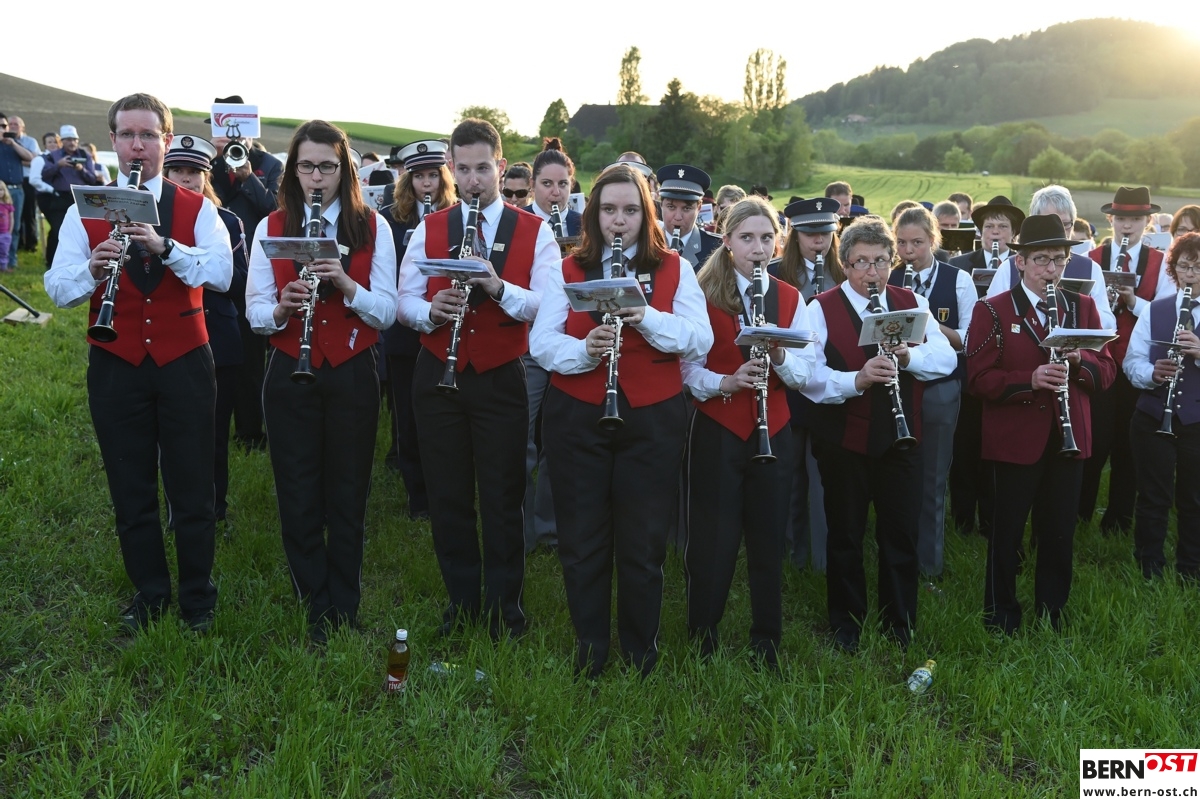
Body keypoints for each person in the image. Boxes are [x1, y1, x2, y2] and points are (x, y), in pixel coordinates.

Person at [43, 93, 233, 633]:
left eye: (148, 135)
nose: (137, 145)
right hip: (115, 361)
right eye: (127, 135)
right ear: (113, 142)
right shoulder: (84, 210)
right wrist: (92, 270)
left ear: (165, 142)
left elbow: (222, 274)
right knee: (131, 488)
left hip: (185, 360)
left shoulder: (198, 208)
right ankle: (150, 593)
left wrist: (167, 247)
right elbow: (56, 288)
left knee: (192, 486)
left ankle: (197, 597)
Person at [529, 163, 712, 677]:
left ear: (646, 215)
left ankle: (640, 651)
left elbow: (700, 339)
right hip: (577, 413)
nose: (619, 220)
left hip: (653, 417)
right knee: (581, 537)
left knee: (644, 539)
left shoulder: (674, 268)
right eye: (608, 209)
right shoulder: (567, 268)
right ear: (594, 215)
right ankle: (590, 647)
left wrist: (646, 317)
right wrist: (584, 350)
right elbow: (542, 343)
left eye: (630, 210)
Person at [397, 118, 557, 641]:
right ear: (451, 167)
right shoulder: (430, 227)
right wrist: (430, 312)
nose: (472, 180)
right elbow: (404, 301)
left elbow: (547, 306)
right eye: (462, 169)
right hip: (437, 371)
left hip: (501, 375)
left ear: (501, 167)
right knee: (448, 496)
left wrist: (497, 286)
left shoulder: (535, 231)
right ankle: (462, 604)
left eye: (482, 169)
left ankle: (506, 610)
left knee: (503, 496)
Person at [245, 119, 397, 642]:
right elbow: (255, 311)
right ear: (293, 171)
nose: (316, 177)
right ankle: (313, 601)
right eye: (306, 167)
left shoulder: (373, 227)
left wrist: (347, 284)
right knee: (297, 489)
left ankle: (345, 604)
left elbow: (387, 312)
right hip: (290, 367)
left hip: (353, 369)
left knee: (349, 491)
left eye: (327, 167)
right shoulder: (271, 226)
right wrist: (282, 309)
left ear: (344, 170)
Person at [802, 217, 956, 652]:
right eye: (862, 263)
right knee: (845, 533)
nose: (872, 273)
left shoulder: (911, 302)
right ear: (845, 264)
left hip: (901, 438)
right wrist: (858, 379)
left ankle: (899, 624)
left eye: (881, 262)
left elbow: (945, 359)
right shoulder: (820, 307)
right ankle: (846, 625)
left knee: (900, 532)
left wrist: (908, 357)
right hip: (843, 440)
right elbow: (809, 376)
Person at [965, 214, 1116, 633]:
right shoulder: (993, 309)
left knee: (1059, 531)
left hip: (1069, 436)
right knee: (1007, 531)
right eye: (1042, 260)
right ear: (1021, 262)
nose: (1051, 269)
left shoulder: (1082, 307)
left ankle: (1052, 612)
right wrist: (1028, 380)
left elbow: (1107, 371)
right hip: (1015, 438)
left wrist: (1079, 361)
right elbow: (977, 378)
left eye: (1059, 260)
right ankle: (1000, 614)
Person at [682, 197, 813, 667]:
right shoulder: (701, 292)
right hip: (719, 425)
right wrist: (727, 382)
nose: (758, 249)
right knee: (713, 539)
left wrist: (779, 355)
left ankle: (767, 640)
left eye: (766, 238)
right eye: (747, 238)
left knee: (768, 536)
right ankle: (702, 636)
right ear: (727, 241)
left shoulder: (790, 297)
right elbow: (686, 370)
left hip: (774, 427)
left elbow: (805, 373)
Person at [161, 134, 248, 526]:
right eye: (177, 170)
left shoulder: (226, 221)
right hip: (167, 337)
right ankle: (175, 511)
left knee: (213, 434)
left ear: (206, 176)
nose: (186, 179)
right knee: (169, 435)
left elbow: (240, 283)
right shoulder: (150, 221)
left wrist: (192, 261)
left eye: (194, 172)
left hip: (217, 338)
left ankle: (215, 510)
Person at [887, 206, 976, 579]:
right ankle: (894, 554)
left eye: (918, 243)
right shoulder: (887, 276)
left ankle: (929, 564)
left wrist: (927, 327)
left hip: (940, 387)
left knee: (933, 476)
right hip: (894, 387)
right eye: (902, 243)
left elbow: (970, 339)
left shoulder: (958, 279)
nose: (909, 252)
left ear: (933, 240)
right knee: (894, 475)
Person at [1081, 186, 1175, 534]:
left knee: (1129, 444)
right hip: (1099, 361)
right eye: (1121, 218)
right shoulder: (1091, 258)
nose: (1127, 225)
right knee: (1093, 441)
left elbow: (1165, 314)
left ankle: (1119, 520)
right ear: (1111, 220)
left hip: (1138, 364)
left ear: (1147, 222)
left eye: (1135, 219)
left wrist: (1133, 302)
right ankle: (1079, 514)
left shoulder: (1162, 264)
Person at [378, 138, 457, 520]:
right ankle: (418, 497)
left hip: (445, 328)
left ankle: (446, 487)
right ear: (407, 181)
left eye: (433, 176)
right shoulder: (390, 219)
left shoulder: (457, 217)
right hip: (404, 332)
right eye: (419, 176)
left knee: (443, 415)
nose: (427, 183)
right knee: (408, 416)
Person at [209, 95, 283, 454]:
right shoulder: (209, 163)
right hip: (221, 262)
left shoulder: (270, 164)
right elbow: (209, 204)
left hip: (258, 263)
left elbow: (275, 209)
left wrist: (247, 175)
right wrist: (221, 163)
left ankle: (251, 430)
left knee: (253, 354)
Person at [520, 137, 584, 552]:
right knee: (520, 436)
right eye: (547, 184)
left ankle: (549, 526)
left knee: (559, 438)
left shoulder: (584, 224)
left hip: (570, 342)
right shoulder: (519, 222)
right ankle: (520, 526)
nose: (555, 192)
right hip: (527, 343)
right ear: (533, 186)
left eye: (562, 184)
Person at [948, 195, 1025, 539]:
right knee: (965, 444)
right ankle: (962, 518)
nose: (995, 233)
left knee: (995, 446)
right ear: (979, 232)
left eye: (1003, 227)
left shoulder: (1022, 265)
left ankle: (992, 518)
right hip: (968, 364)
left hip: (1004, 363)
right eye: (989, 226)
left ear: (1013, 234)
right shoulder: (959, 264)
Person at [774, 197, 843, 572]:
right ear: (794, 235)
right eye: (810, 234)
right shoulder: (773, 274)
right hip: (785, 385)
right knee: (788, 472)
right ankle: (790, 551)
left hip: (829, 386)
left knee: (824, 476)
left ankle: (823, 555)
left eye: (825, 234)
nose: (819, 241)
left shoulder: (845, 274)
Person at [1125, 232, 1200, 579]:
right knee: (1153, 496)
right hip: (1154, 415)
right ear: (1173, 270)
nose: (1191, 274)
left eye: (1198, 267)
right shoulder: (1155, 309)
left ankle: (1191, 568)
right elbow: (1132, 361)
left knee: (1194, 499)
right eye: (1184, 266)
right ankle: (1149, 565)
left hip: (1196, 420)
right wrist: (1152, 373)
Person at [984, 186, 1116, 333]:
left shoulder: (1091, 268)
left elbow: (1109, 323)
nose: (1058, 231)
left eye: (1065, 224)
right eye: (1049, 223)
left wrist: (1074, 307)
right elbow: (991, 317)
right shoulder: (1008, 268)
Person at [41, 125, 100, 267]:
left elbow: (93, 178)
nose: (72, 142)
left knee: (83, 230)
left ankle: (82, 262)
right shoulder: (53, 156)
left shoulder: (84, 155)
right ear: (62, 141)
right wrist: (58, 165)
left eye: (74, 139)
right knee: (57, 229)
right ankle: (52, 263)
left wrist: (81, 169)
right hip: (60, 197)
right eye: (68, 139)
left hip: (81, 198)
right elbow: (44, 175)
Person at [656, 163, 721, 271]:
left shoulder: (716, 249)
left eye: (686, 208)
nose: (678, 217)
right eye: (671, 207)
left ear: (699, 207)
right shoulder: (645, 244)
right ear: (661, 204)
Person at [0, 112, 35, 270]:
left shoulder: (14, 144)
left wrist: (13, 143)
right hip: (1, 192)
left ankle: (10, 261)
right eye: (0, 126)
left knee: (14, 227)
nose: (3, 129)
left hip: (17, 191)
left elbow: (30, 157)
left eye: (4, 126)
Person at [8, 116, 40, 254]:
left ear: (22, 127)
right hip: (11, 181)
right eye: (10, 124)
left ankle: (31, 243)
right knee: (14, 214)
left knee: (29, 213)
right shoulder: (5, 141)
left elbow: (35, 160)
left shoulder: (30, 141)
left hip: (28, 180)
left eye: (16, 124)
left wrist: (17, 161)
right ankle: (18, 243)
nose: (12, 126)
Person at [0, 183, 13, 271]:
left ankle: (4, 267)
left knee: (4, 251)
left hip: (5, 233)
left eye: (1, 190)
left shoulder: (8, 205)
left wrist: (9, 232)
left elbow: (12, 218)